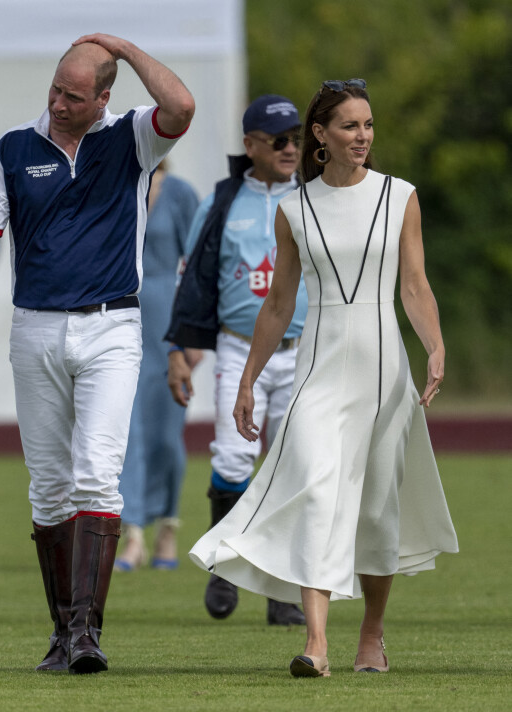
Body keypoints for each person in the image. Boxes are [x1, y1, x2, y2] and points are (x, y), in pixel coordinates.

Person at [189, 79, 458, 677]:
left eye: (367, 126)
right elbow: (279, 302)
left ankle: (372, 635)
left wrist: (435, 346)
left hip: (384, 368)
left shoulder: (400, 196)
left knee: (377, 511)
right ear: (320, 135)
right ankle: (316, 643)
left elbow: (413, 284)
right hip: (318, 366)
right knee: (313, 486)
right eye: (349, 126)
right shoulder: (295, 209)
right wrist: (246, 381)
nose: (361, 137)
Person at [0, 34, 194, 674]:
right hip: (34, 328)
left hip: (111, 326)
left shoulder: (133, 138)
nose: (59, 103)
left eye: (75, 96)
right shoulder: (13, 147)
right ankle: (62, 635)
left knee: (96, 471)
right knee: (49, 487)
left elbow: (182, 104)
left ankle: (86, 635)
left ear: (104, 99)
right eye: (56, 90)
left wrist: (123, 45)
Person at [166, 95, 308, 627]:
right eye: (278, 139)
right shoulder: (224, 200)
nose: (290, 147)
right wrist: (179, 348)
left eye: (295, 137)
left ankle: (280, 590)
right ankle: (226, 564)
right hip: (237, 349)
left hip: (304, 353)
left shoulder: (315, 198)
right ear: (249, 146)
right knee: (231, 460)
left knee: (292, 467)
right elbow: (194, 276)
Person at [114, 162, 200, 572]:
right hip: (121, 319)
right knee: (129, 432)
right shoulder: (116, 187)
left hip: (170, 325)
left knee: (167, 435)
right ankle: (132, 534)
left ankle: (168, 524)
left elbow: (200, 266)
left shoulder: (181, 193)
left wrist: (194, 336)